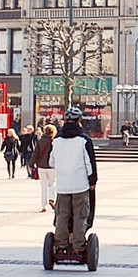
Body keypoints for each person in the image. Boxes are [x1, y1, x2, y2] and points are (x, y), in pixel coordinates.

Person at [49, 107, 97, 255]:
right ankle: (79, 246)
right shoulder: (83, 140)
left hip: (63, 186)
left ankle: (61, 244)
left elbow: (52, 162)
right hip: (80, 185)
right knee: (80, 216)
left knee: (62, 215)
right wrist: (93, 180)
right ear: (79, 121)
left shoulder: (56, 141)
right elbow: (90, 164)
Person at [32, 123, 57, 210]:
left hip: (41, 167)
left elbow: (35, 154)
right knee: (52, 184)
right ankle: (51, 199)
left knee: (43, 186)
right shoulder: (55, 142)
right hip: (52, 167)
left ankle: (43, 206)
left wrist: (31, 164)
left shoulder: (40, 141)